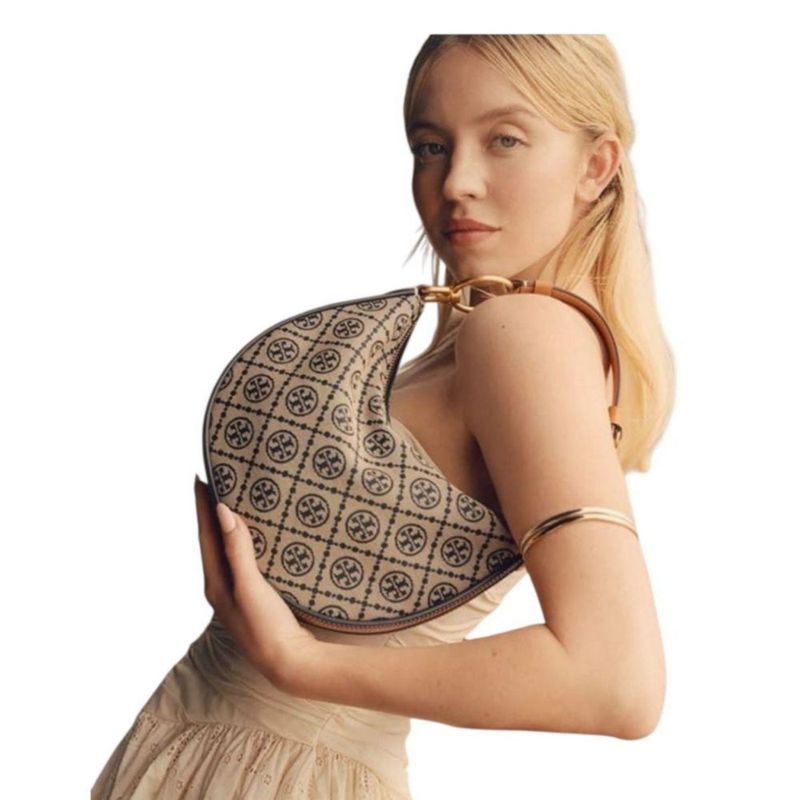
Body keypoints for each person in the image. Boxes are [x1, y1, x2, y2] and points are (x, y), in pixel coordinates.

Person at [91, 33, 674, 800]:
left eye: (504, 139)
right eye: (431, 146)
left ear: (596, 166)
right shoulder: (485, 337)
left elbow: (616, 683)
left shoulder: (524, 334)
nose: (457, 182)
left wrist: (299, 663)